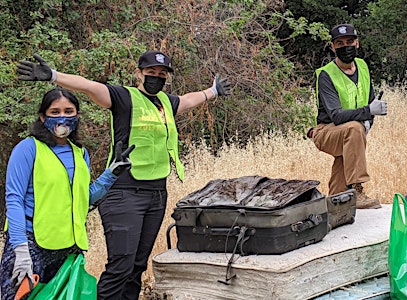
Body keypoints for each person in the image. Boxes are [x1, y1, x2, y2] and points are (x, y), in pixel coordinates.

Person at [16, 50, 233, 299]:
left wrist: (213, 91)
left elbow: (188, 100)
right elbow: (89, 86)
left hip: (156, 194)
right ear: (139, 74)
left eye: (162, 74)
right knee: (121, 266)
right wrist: (54, 75)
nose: (156, 77)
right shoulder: (123, 98)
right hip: (124, 192)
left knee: (137, 267)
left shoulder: (165, 103)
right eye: (151, 72)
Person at [0, 88, 132, 299]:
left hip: (67, 249)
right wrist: (20, 250)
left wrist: (111, 175)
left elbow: (83, 199)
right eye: (55, 112)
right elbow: (14, 199)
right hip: (32, 244)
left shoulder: (80, 153)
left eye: (69, 111)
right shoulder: (28, 149)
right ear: (43, 117)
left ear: (77, 116)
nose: (62, 117)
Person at [309, 24, 388, 209]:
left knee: (346, 157)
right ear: (333, 46)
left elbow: (370, 101)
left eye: (350, 41)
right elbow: (336, 115)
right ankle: (356, 191)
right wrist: (367, 114)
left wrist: (369, 121)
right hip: (325, 132)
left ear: (357, 43)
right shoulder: (326, 75)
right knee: (353, 130)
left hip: (351, 131)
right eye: (340, 43)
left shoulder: (362, 66)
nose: (346, 46)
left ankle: (335, 203)